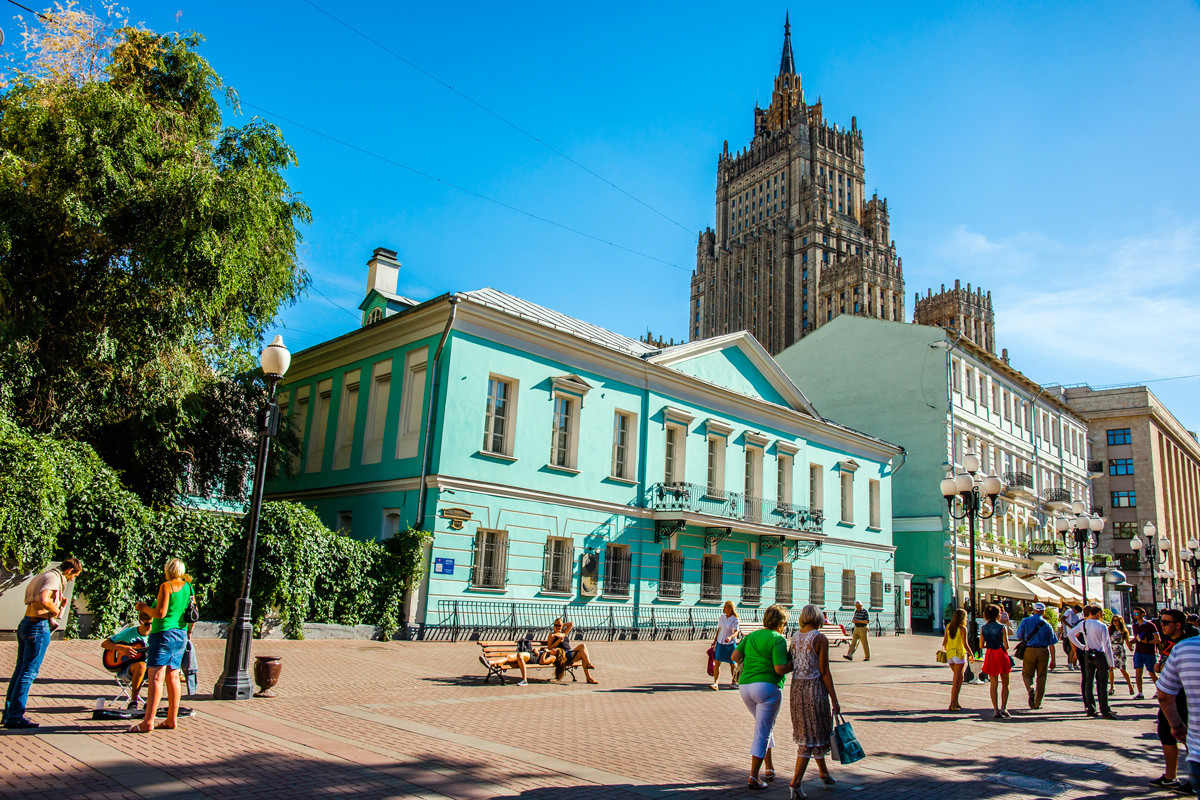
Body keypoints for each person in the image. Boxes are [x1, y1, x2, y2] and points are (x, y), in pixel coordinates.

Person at [3, 558, 84, 729]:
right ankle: (15, 716)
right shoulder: (54, 579)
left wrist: (59, 603)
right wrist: (55, 610)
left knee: (20, 671)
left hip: (26, 623)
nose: (71, 580)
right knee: (28, 672)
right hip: (38, 626)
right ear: (70, 570)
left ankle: (9, 713)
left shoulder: (44, 575)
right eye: (74, 576)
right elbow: (43, 599)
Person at [731, 604, 793, 791]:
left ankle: (769, 767)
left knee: (764, 726)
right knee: (762, 731)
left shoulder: (751, 636)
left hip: (746, 687)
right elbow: (779, 669)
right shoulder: (778, 639)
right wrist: (794, 663)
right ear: (781, 623)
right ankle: (753, 776)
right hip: (768, 688)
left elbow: (735, 656)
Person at [129, 558, 194, 733]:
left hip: (163, 634)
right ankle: (171, 719)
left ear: (168, 570)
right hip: (180, 634)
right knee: (173, 677)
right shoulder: (188, 587)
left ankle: (147, 722)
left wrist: (143, 607)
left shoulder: (166, 586)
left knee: (156, 679)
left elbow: (160, 613)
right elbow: (193, 613)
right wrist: (188, 632)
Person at [788, 604, 840, 800]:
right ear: (818, 618)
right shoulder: (820, 638)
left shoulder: (795, 636)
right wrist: (834, 698)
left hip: (797, 689)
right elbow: (824, 671)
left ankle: (824, 773)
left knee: (810, 732)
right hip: (814, 689)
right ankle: (796, 782)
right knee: (810, 737)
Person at [1150, 608, 1198, 791]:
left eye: (1165, 622)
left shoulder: (1185, 645)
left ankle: (1193, 779)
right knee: (1165, 732)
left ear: (1178, 625)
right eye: (1161, 622)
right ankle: (1171, 776)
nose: (1161, 625)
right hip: (1171, 697)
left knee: (1188, 737)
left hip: (1181, 698)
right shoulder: (1170, 642)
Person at [1068, 604, 1116, 719]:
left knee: (1089, 682)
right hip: (1100, 654)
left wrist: (1082, 646)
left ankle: (1091, 708)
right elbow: (1107, 645)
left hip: (1088, 654)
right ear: (1098, 613)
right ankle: (1104, 710)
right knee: (1102, 684)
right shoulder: (1102, 626)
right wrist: (1111, 663)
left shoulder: (1084, 624)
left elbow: (1071, 634)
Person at [101, 610, 153, 708]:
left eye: (152, 623)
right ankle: (133, 701)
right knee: (141, 666)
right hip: (126, 668)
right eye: (147, 624)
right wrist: (123, 648)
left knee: (160, 668)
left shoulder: (155, 634)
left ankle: (150, 702)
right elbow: (105, 644)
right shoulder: (130, 632)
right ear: (140, 621)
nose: (150, 627)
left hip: (149, 669)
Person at [1014, 602, 1057, 709]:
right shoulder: (1047, 624)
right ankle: (1037, 703)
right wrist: (1053, 660)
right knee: (1042, 677)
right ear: (1043, 611)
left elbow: (1019, 636)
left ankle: (1030, 688)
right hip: (1043, 651)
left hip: (1029, 650)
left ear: (1033, 610)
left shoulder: (1025, 621)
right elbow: (1052, 643)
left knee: (1027, 674)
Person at [981, 604, 1012, 718]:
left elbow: (981, 645)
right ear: (998, 614)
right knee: (1005, 683)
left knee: (993, 684)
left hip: (990, 654)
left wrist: (987, 646)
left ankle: (995, 709)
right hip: (1001, 653)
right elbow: (1007, 646)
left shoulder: (983, 628)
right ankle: (1004, 707)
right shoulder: (1002, 627)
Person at [546, 619, 598, 684]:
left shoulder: (564, 633)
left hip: (569, 652)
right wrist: (558, 641)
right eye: (556, 625)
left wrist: (562, 625)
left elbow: (571, 623)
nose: (557, 627)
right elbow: (550, 647)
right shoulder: (552, 635)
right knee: (582, 650)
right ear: (553, 625)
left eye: (559, 626)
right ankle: (589, 675)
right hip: (562, 654)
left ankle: (588, 669)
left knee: (583, 647)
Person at [942, 608, 972, 711]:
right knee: (956, 681)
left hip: (950, 655)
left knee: (959, 679)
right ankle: (952, 704)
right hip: (959, 655)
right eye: (966, 617)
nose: (967, 619)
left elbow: (944, 642)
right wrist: (971, 654)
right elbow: (965, 644)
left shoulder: (948, 627)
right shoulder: (963, 629)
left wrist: (948, 651)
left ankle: (956, 702)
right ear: (963, 618)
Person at [1132, 606, 1161, 699]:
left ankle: (1159, 691)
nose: (1135, 615)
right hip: (1138, 651)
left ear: (1143, 614)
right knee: (1138, 671)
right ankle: (1140, 693)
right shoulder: (1134, 626)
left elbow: (1158, 639)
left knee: (1152, 672)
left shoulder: (1150, 625)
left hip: (1149, 652)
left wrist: (1147, 641)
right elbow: (1136, 638)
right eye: (1134, 614)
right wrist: (1130, 642)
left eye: (1136, 613)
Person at [711, 601, 741, 690]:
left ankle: (734, 681)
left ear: (730, 608)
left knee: (732, 664)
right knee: (717, 662)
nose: (723, 609)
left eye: (725, 607)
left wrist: (731, 637)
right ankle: (715, 683)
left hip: (730, 644)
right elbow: (719, 629)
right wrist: (715, 640)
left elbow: (736, 631)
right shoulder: (722, 618)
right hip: (720, 642)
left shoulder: (735, 619)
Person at [1107, 615, 1135, 698]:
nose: (1115, 622)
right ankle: (1112, 687)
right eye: (1114, 620)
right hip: (1112, 649)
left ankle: (1130, 685)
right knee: (1111, 669)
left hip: (1120, 649)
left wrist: (1130, 647)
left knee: (1123, 669)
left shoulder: (1123, 631)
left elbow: (1127, 642)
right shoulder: (1110, 630)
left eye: (1117, 620)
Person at [1061, 604, 1082, 670]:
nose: (1077, 613)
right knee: (1073, 648)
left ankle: (1074, 664)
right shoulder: (1069, 611)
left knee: (1075, 648)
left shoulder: (1078, 614)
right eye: (1076, 611)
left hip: (1077, 632)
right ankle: (1070, 664)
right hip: (1071, 632)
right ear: (1074, 609)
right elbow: (1062, 619)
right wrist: (1070, 626)